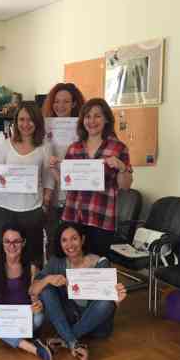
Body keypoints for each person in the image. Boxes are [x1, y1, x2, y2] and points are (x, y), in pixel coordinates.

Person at [30, 222, 127, 360]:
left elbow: (108, 305)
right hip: (69, 319)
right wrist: (48, 279)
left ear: (82, 239)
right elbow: (32, 290)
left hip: (97, 326)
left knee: (107, 301)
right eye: (64, 240)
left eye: (74, 238)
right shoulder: (57, 262)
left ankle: (67, 339)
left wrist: (117, 301)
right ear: (60, 244)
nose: (70, 244)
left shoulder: (100, 262)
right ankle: (72, 342)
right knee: (46, 288)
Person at [50, 98, 133, 257]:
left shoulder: (118, 148)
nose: (92, 121)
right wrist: (54, 170)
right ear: (82, 120)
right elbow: (67, 185)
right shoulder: (74, 148)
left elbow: (125, 186)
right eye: (87, 116)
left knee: (97, 266)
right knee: (73, 265)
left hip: (101, 219)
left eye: (97, 116)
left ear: (106, 119)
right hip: (73, 217)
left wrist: (122, 167)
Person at [0, 223, 53, 360]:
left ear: (23, 242)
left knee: (39, 318)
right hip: (0, 314)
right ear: (2, 243)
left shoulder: (32, 267)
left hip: (21, 316)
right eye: (7, 241)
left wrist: (37, 305)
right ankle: (32, 348)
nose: (11, 246)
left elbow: (34, 298)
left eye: (16, 241)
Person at [0, 103, 54, 267]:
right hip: (4, 208)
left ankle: (32, 284)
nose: (26, 124)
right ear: (16, 121)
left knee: (32, 254)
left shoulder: (45, 146)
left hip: (32, 209)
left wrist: (46, 201)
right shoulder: (5, 144)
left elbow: (48, 177)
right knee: (2, 253)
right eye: (22, 119)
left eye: (30, 120)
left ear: (37, 122)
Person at [42, 83, 86, 254]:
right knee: (52, 241)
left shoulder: (83, 129)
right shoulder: (44, 126)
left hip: (75, 196)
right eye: (56, 101)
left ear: (74, 104)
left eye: (66, 101)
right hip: (50, 194)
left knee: (73, 244)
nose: (60, 106)